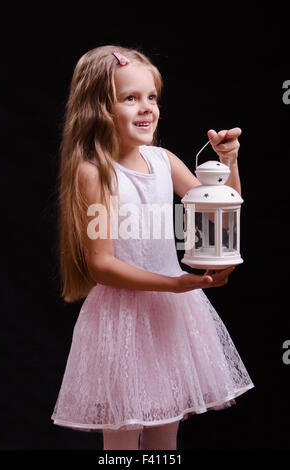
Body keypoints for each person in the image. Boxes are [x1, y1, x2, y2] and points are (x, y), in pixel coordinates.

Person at [51, 45, 254, 450]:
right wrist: (174, 283)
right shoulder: (96, 173)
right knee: (122, 441)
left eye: (151, 97)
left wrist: (228, 162)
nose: (146, 109)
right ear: (99, 108)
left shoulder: (164, 161)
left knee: (165, 436)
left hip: (170, 316)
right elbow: (102, 266)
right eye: (130, 98)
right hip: (122, 319)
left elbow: (220, 209)